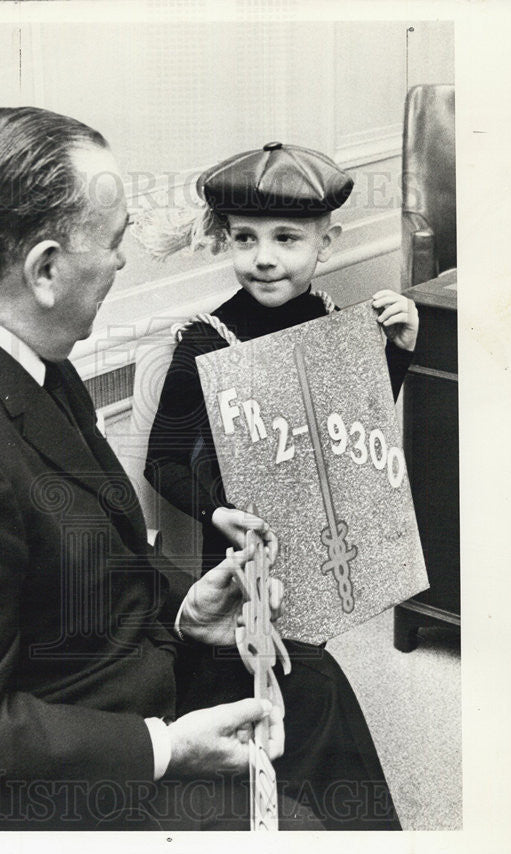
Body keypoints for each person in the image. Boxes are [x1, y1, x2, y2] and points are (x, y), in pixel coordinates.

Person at [0, 108, 397, 832]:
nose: (121, 264)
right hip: (41, 771)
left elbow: (91, 540)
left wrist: (184, 610)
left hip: (97, 666)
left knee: (313, 684)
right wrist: (165, 749)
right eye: (114, 244)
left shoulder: (9, 342)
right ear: (46, 269)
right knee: (293, 835)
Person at [143, 141, 419, 575]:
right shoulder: (206, 343)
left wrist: (397, 352)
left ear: (325, 243)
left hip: (324, 547)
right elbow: (162, 461)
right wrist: (213, 513)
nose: (264, 258)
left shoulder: (333, 322)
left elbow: (364, 427)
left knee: (310, 643)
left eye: (286, 238)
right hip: (240, 559)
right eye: (245, 239)